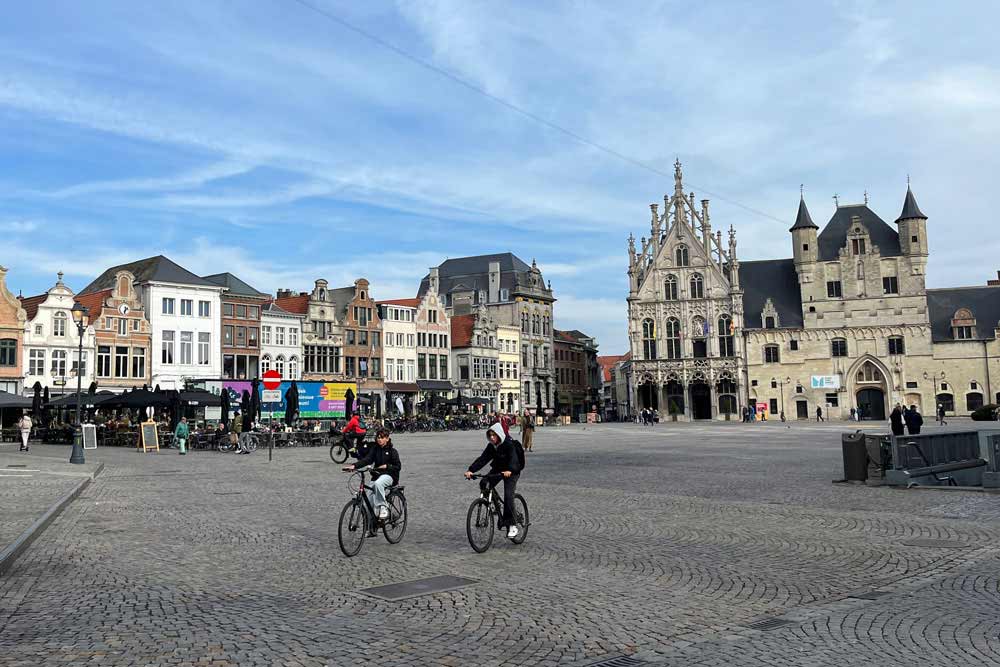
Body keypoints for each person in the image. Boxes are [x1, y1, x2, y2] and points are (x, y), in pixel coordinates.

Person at [465, 423, 523, 539]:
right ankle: (489, 503)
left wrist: (510, 470)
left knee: (508, 495)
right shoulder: (492, 446)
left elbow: (513, 459)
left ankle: (512, 525)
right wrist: (471, 470)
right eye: (490, 435)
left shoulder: (508, 444)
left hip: (512, 470)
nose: (492, 437)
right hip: (498, 469)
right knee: (484, 482)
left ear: (499, 434)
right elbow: (483, 459)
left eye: (494, 435)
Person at [343, 428, 401, 521]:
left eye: (382, 437)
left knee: (379, 484)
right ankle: (371, 528)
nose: (379, 439)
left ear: (387, 438)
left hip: (389, 476)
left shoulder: (392, 451)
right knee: (368, 504)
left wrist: (387, 466)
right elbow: (367, 459)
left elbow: (398, 466)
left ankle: (383, 507)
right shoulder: (375, 449)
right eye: (378, 437)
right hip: (377, 476)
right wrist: (354, 466)